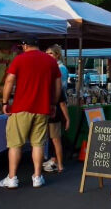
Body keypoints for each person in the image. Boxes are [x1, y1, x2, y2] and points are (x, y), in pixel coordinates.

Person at [0, 38, 61, 189]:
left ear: (25, 45)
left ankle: (12, 178)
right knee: (38, 144)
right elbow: (58, 85)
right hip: (42, 108)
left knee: (15, 144)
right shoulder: (51, 61)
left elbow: (9, 81)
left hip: (21, 107)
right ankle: (37, 177)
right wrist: (53, 103)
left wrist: (5, 102)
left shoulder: (19, 59)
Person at [43, 45, 71, 173]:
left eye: (50, 54)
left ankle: (58, 163)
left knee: (55, 138)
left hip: (56, 106)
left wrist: (67, 118)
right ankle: (53, 160)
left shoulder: (60, 69)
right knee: (49, 137)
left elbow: (60, 94)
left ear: (57, 55)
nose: (47, 56)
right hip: (50, 106)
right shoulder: (52, 68)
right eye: (46, 53)